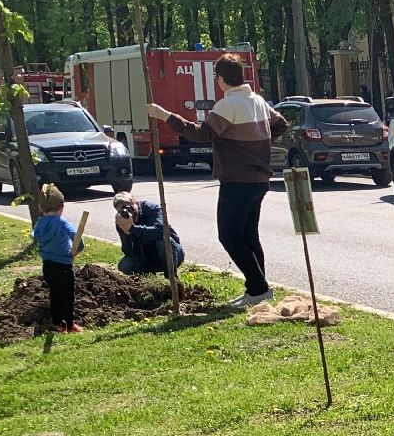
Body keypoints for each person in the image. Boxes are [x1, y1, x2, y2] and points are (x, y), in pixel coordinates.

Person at [147, 53, 284, 308]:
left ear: (220, 79)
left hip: (236, 180)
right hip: (259, 178)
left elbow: (201, 134)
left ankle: (259, 288)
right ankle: (257, 289)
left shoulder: (227, 105)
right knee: (249, 235)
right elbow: (281, 124)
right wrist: (259, 145)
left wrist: (165, 115)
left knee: (229, 236)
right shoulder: (258, 101)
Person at [32, 184, 86, 333]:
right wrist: (76, 251)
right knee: (67, 296)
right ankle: (69, 324)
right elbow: (78, 240)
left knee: (55, 294)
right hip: (63, 265)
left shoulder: (39, 224)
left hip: (47, 265)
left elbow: (35, 236)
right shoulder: (62, 223)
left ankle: (57, 322)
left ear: (41, 207)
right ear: (62, 207)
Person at [112, 191, 185, 275]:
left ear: (135, 202)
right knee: (125, 266)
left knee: (163, 240)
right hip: (147, 256)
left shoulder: (152, 208)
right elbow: (128, 252)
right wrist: (126, 233)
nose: (127, 212)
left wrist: (133, 228)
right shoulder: (121, 220)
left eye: (128, 207)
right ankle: (147, 275)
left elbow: (159, 232)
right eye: (122, 210)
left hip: (172, 253)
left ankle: (170, 275)